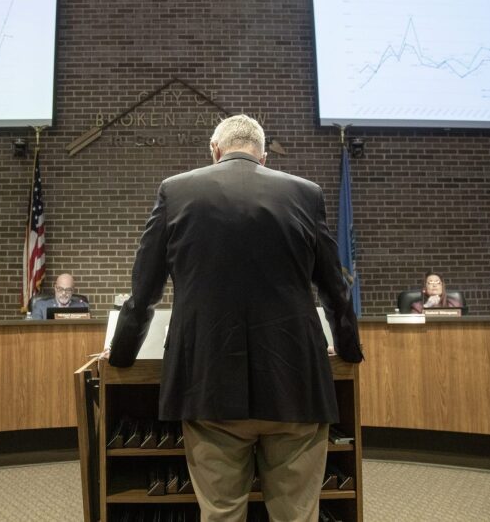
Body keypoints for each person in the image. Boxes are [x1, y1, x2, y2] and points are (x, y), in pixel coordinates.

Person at [107, 114, 364, 521]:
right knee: (297, 514)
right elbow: (335, 288)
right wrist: (349, 351)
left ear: (215, 151)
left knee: (221, 512)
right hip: (295, 383)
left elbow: (144, 294)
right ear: (263, 155)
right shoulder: (305, 193)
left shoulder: (176, 192)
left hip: (208, 383)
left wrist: (120, 358)